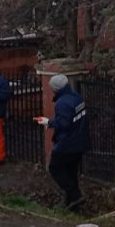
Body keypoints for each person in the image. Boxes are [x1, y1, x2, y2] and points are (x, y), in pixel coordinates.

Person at [36, 74, 90, 212]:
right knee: (70, 171)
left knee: (55, 168)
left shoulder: (63, 103)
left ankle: (75, 195)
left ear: (55, 89)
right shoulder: (76, 97)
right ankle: (72, 202)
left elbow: (64, 123)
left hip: (67, 143)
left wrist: (48, 122)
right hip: (80, 140)